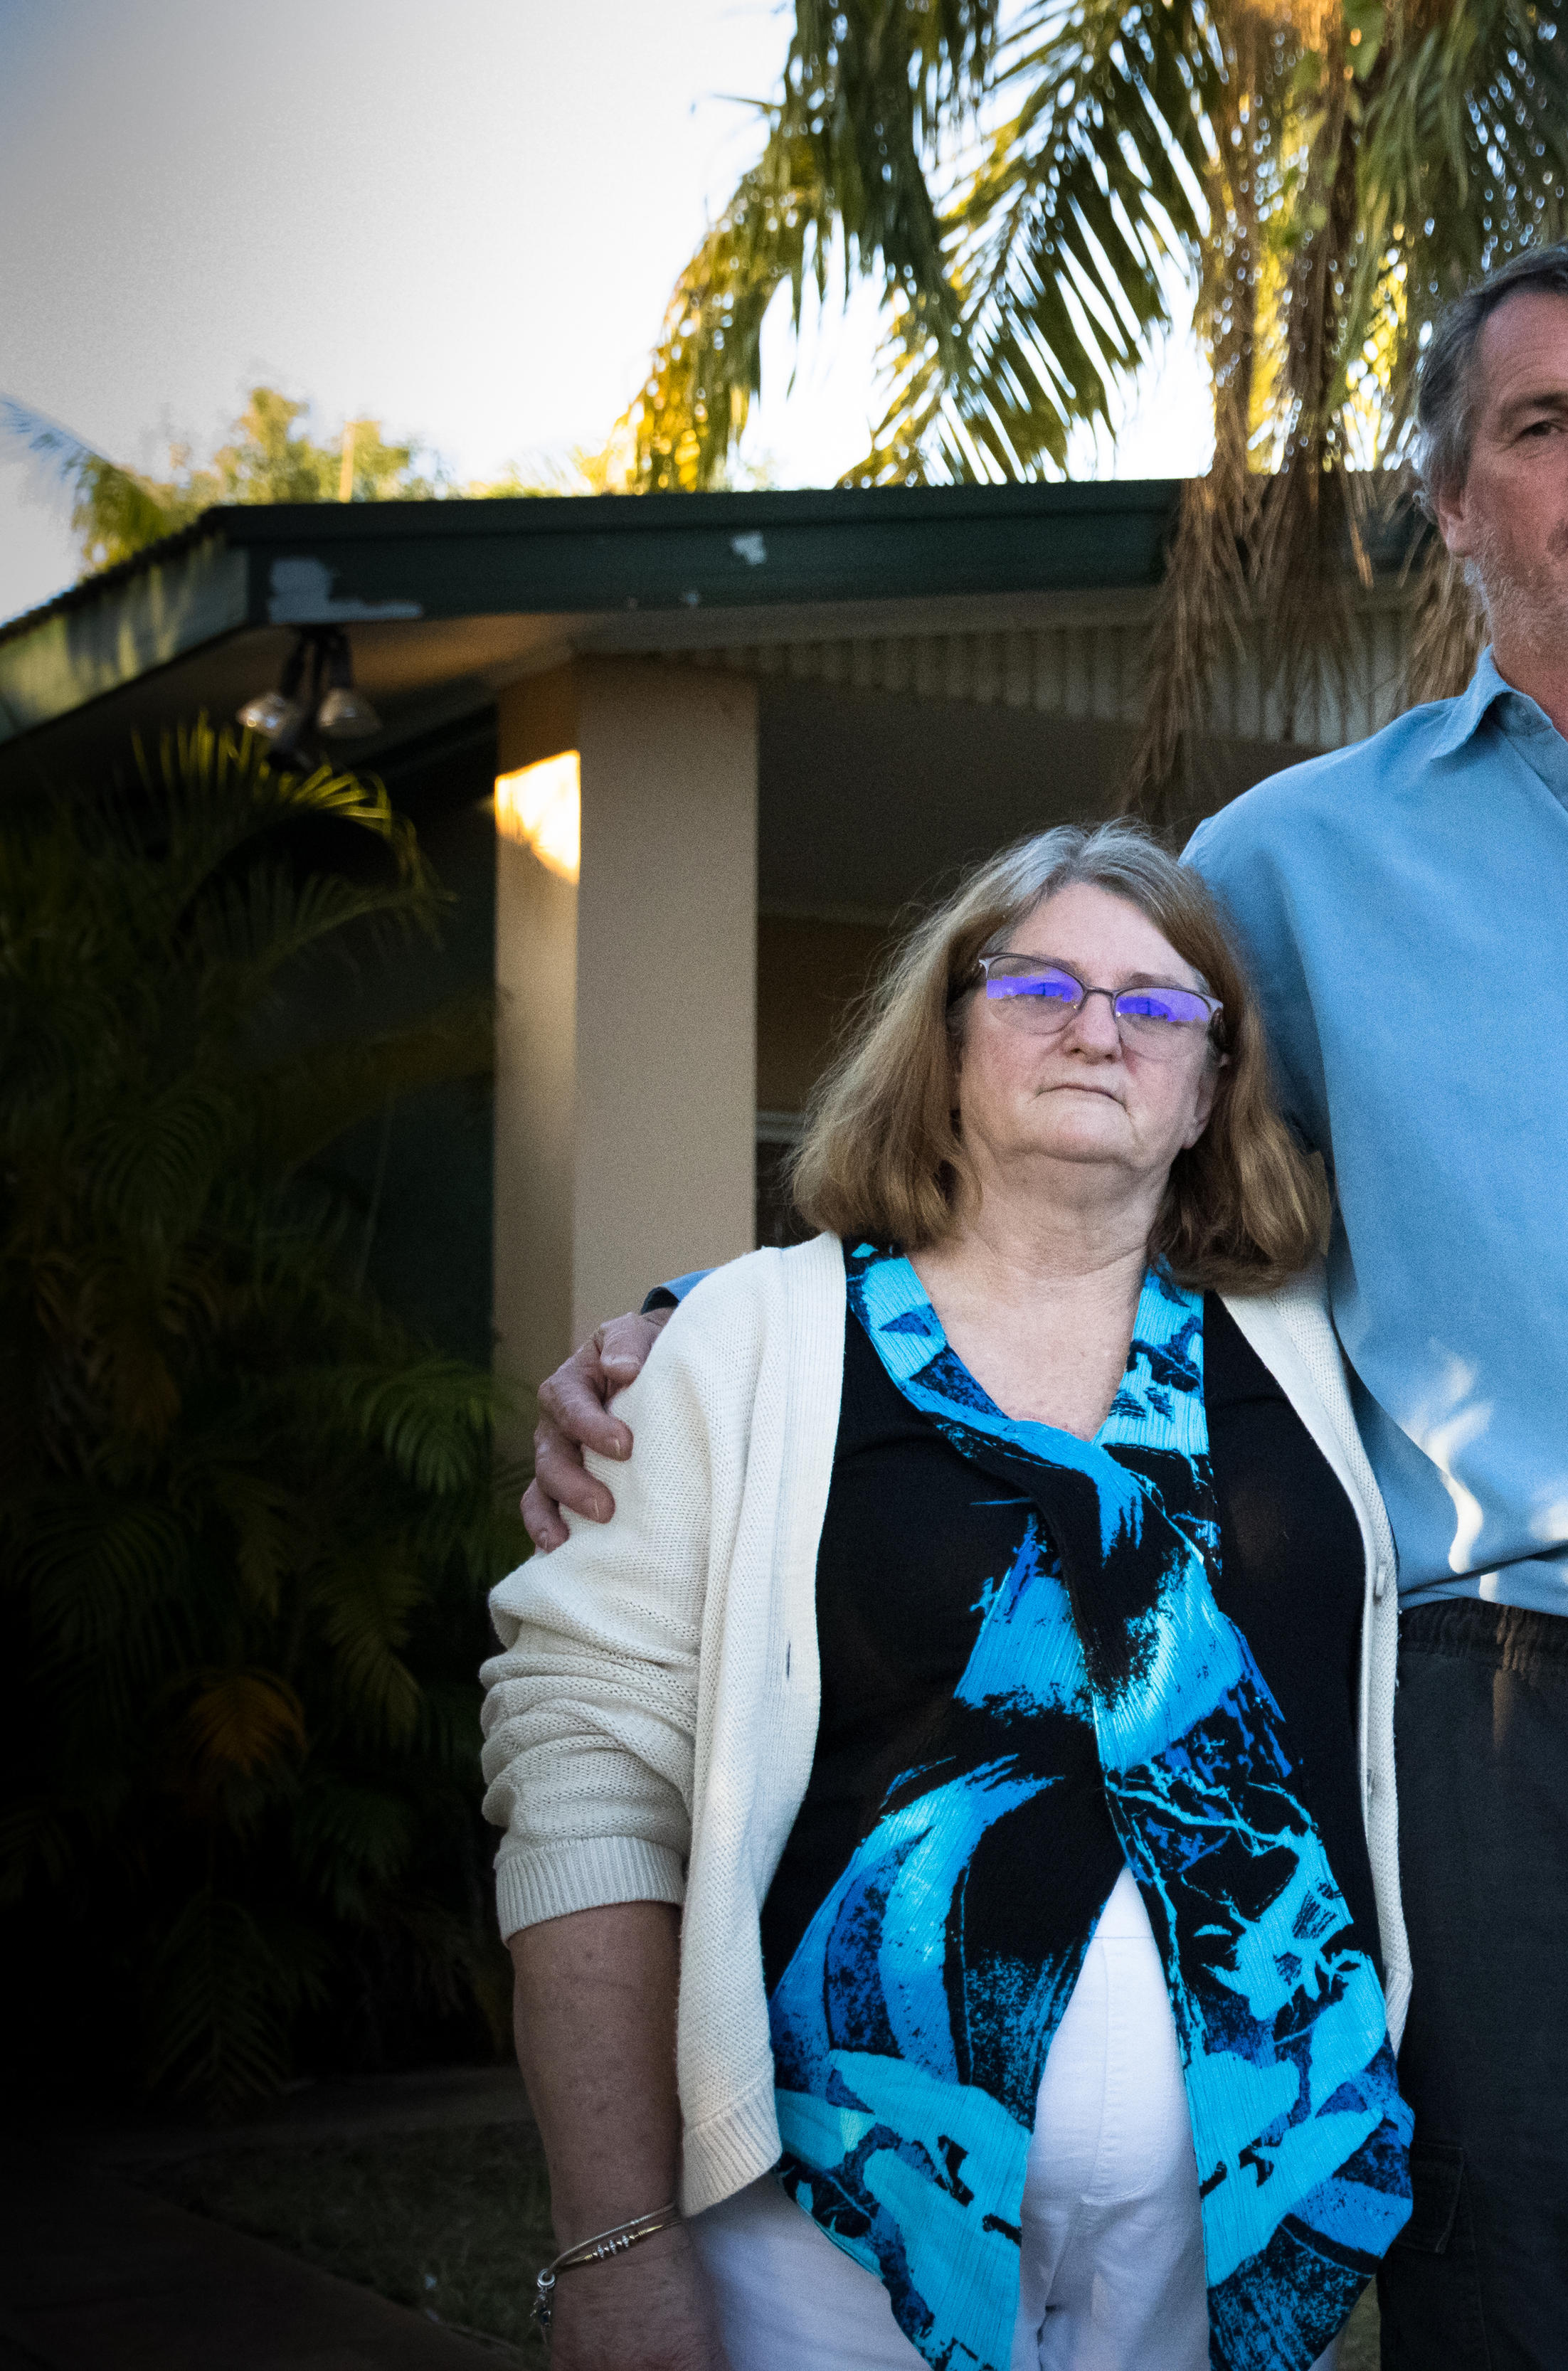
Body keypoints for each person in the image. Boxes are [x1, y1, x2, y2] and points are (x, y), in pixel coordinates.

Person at [526, 237, 1568, 2370]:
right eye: (1539, 425)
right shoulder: (1290, 869)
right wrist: (722, 1336)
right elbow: (1079, 1160)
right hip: (1513, 1752)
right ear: (1456, 504)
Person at [484, 823, 1410, 2371]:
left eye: (1158, 1002)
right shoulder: (743, 1352)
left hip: (1234, 2239)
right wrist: (614, 2239)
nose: (1098, 1025)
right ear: (946, 1036)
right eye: (1035, 980)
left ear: (1211, 1085)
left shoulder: (1316, 1353)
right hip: (823, 2236)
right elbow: (582, 1779)